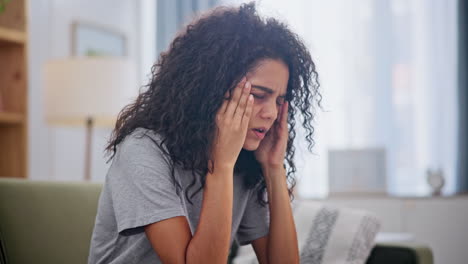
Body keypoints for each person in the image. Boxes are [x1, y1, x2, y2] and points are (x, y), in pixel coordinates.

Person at [88, 2, 321, 263]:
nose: (272, 113)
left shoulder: (245, 162)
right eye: (258, 95)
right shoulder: (143, 150)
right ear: (211, 90)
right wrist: (221, 166)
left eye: (279, 100)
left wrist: (274, 169)